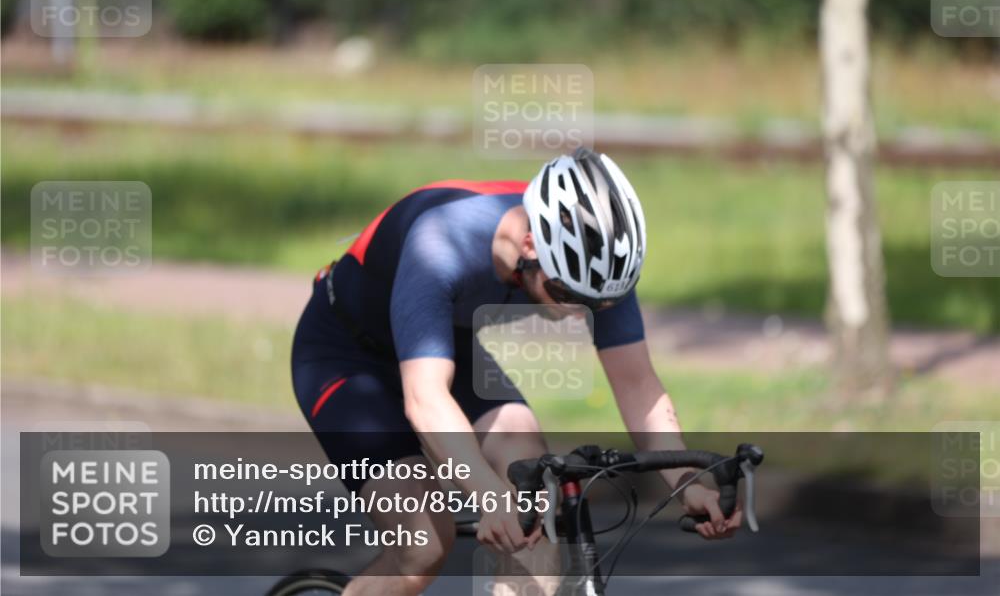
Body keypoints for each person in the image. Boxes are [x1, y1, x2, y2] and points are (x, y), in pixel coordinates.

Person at [292, 148, 742, 596]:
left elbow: (637, 384)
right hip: (345, 357)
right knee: (423, 544)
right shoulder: (441, 242)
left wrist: (688, 484)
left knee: (533, 507)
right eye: (565, 293)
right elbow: (425, 398)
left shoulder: (592, 271)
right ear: (529, 244)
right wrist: (489, 495)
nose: (576, 314)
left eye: (593, 305)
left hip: (445, 347)